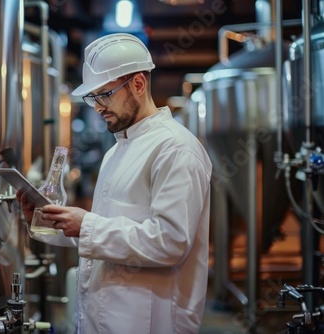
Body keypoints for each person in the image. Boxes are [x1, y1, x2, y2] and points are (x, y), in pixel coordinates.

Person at [17, 33, 212, 334]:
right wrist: (51, 222)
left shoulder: (175, 149)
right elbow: (107, 234)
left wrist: (87, 225)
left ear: (137, 84)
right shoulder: (115, 152)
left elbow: (171, 242)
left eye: (104, 94)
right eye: (92, 97)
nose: (97, 107)